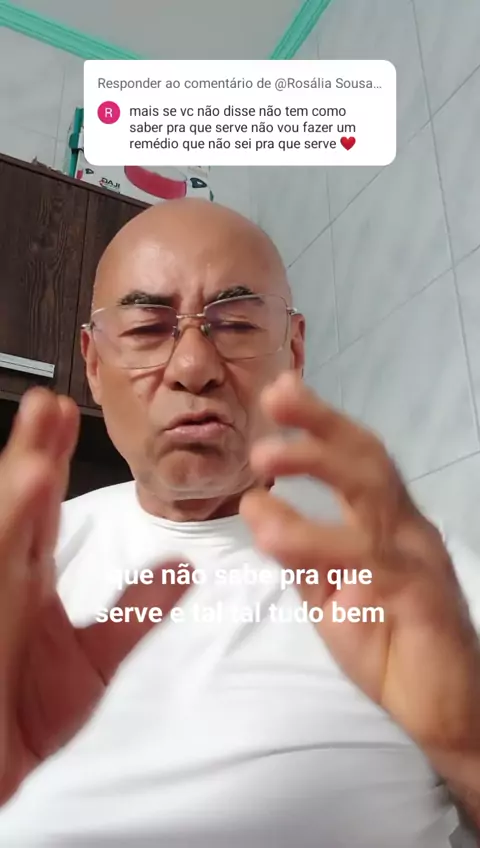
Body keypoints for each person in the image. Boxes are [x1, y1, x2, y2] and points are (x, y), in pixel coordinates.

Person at [0, 197, 479, 848]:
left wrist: (466, 749)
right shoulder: (24, 572)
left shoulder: (415, 579)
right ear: (92, 364)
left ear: (294, 349)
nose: (193, 368)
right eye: (146, 328)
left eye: (236, 324)